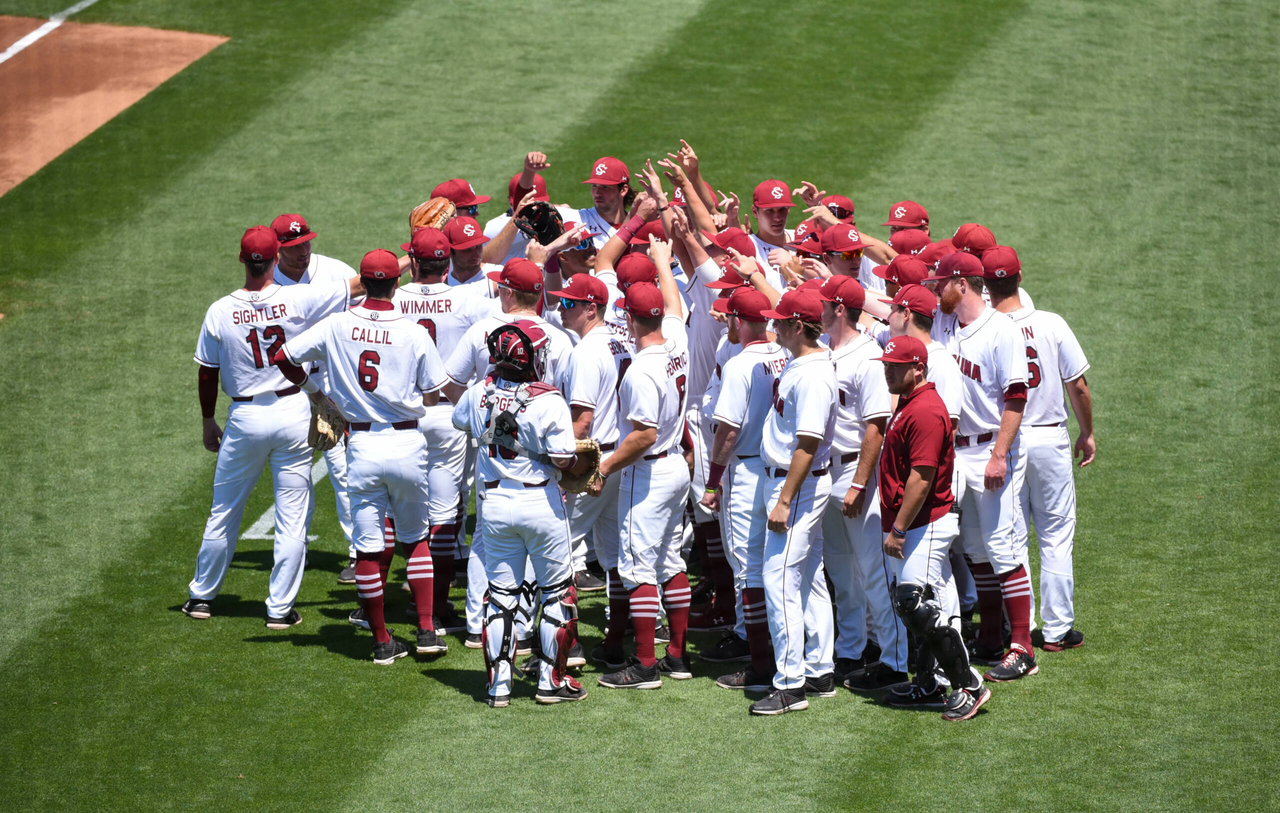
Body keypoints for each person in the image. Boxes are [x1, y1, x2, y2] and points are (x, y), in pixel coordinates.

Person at [273, 249, 448, 664]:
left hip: (361, 446)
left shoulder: (336, 324)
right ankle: (426, 632)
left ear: (363, 282)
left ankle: (382, 641)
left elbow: (283, 356)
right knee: (416, 540)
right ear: (395, 284)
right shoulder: (412, 331)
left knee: (368, 549)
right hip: (407, 443)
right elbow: (433, 391)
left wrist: (318, 394)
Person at [185, 226, 361, 628]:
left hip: (243, 418)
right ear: (276, 258)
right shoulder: (296, 299)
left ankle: (201, 598)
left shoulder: (218, 310)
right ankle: (279, 609)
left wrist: (208, 420)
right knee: (292, 516)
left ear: (244, 260)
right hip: (292, 412)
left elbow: (208, 374)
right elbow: (365, 281)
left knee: (224, 511)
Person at [450, 320, 591, 706]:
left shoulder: (478, 391)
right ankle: (550, 681)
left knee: (500, 597)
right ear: (529, 357)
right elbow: (564, 459)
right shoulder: (548, 399)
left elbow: (460, 421)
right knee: (558, 593)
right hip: (539, 503)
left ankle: (498, 685)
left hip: (494, 505)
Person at [924, 252, 1038, 682]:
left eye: (942, 283)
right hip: (959, 452)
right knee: (974, 548)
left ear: (962, 283)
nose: (937, 290)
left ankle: (1022, 646)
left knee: (1003, 547)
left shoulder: (1002, 331)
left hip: (993, 448)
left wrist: (1000, 455)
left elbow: (1015, 396)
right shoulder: (946, 322)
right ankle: (990, 637)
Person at [873, 335, 991, 722]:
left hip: (924, 524)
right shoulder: (909, 403)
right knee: (924, 606)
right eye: (886, 365)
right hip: (915, 523)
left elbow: (921, 479)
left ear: (918, 368)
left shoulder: (924, 411)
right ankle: (928, 684)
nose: (888, 371)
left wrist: (900, 529)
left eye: (896, 366)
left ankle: (968, 685)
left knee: (914, 603)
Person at [593, 245, 693, 689]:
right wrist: (663, 261)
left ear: (630, 319)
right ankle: (677, 655)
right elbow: (673, 305)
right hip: (678, 470)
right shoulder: (678, 341)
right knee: (670, 559)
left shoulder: (640, 370)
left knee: (636, 567)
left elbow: (643, 435)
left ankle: (646, 665)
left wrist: (604, 467)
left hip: (650, 471)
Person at [984, 246, 1094, 651]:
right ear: (1020, 277)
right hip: (1048, 438)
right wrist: (1087, 432)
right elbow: (1077, 385)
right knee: (1055, 534)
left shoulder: (983, 329)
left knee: (1011, 536)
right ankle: (1058, 629)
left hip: (1005, 442)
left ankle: (1021, 625)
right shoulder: (1050, 322)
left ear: (984, 285)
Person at [391, 227, 494, 634]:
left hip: (402, 417)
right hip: (451, 415)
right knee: (446, 513)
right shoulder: (470, 300)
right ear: (447, 261)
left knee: (393, 508)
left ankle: (383, 604)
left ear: (413, 263)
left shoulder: (392, 300)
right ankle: (435, 609)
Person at [814, 276, 906, 690]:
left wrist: (859, 483)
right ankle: (852, 650)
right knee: (839, 567)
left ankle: (895, 658)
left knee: (873, 568)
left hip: (855, 470)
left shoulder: (869, 356)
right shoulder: (819, 350)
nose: (816, 308)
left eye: (822, 302)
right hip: (823, 473)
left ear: (838, 309)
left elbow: (876, 426)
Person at [699, 287, 789, 693]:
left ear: (738, 320)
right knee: (777, 568)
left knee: (749, 572)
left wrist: (713, 480)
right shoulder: (783, 355)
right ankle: (780, 656)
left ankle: (759, 665)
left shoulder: (738, 365)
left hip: (747, 472)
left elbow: (728, 431)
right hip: (779, 470)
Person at [754, 289, 839, 715]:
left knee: (779, 580)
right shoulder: (802, 361)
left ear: (797, 327)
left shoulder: (813, 376)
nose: (774, 325)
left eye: (780, 321)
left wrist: (785, 500)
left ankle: (790, 685)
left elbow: (807, 443)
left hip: (796, 487)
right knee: (808, 576)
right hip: (799, 484)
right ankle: (820, 668)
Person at [267, 213, 361, 583]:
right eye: (292, 248)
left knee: (344, 473)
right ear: (277, 251)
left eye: (306, 243)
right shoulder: (268, 285)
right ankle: (294, 553)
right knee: (293, 478)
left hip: (335, 389)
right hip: (291, 392)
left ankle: (358, 554)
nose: (303, 251)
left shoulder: (335, 271)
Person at [554, 274, 627, 596]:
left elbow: (582, 421)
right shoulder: (620, 342)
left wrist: (565, 465)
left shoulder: (584, 352)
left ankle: (557, 635)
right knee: (616, 551)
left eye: (569, 303)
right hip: (619, 457)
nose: (560, 307)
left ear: (591, 309)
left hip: (591, 462)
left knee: (558, 545)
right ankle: (645, 625)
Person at [578, 156, 632, 250]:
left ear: (623, 190)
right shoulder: (579, 219)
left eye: (605, 187)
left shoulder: (638, 225)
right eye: (594, 186)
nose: (597, 192)